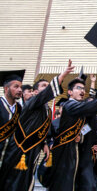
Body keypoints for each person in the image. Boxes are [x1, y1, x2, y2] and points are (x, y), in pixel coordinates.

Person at [0, 60, 73, 191]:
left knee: (24, 183)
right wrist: (62, 76)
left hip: (29, 151)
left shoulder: (22, 108)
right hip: (17, 151)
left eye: (19, 87)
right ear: (35, 92)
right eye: (43, 86)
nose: (19, 90)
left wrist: (44, 143)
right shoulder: (32, 103)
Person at [48, 76, 97, 191]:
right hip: (65, 152)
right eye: (78, 88)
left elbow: (86, 128)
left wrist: (81, 136)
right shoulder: (69, 105)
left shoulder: (84, 112)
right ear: (70, 92)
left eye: (83, 88)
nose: (82, 91)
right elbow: (90, 104)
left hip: (81, 151)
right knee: (65, 183)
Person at [0, 72, 23, 163]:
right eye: (16, 87)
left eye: (21, 87)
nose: (20, 90)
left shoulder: (19, 108)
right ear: (6, 88)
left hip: (9, 156)